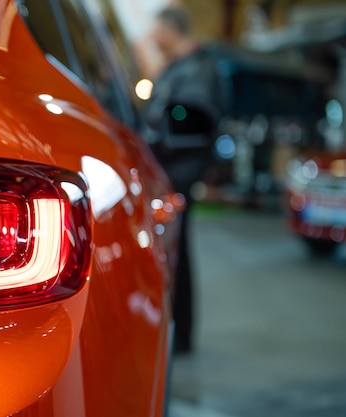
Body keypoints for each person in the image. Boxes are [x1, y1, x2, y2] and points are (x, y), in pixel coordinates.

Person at [144, 5, 225, 354]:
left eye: (156, 30)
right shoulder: (179, 68)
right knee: (172, 251)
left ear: (172, 29)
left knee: (178, 252)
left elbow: (191, 121)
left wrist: (161, 132)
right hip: (169, 171)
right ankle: (175, 331)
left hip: (180, 173)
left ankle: (182, 337)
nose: (152, 38)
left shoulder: (198, 69)